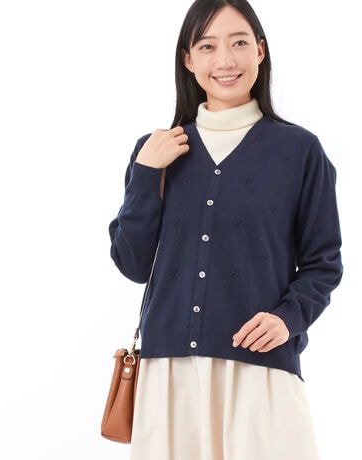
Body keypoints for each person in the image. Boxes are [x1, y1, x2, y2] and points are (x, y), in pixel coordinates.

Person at [109, 0, 343, 458]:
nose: (225, 60)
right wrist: (146, 174)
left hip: (260, 368)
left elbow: (324, 263)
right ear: (188, 59)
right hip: (169, 374)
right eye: (207, 46)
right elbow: (133, 264)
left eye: (239, 43)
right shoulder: (156, 150)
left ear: (260, 51)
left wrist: (287, 319)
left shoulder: (299, 151)